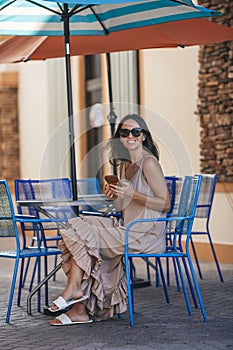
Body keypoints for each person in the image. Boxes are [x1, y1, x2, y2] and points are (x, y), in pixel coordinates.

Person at [48, 114, 170, 326]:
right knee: (82, 223)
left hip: (146, 233)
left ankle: (78, 302)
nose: (130, 136)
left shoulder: (149, 163)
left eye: (135, 132)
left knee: (87, 236)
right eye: (124, 133)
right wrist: (115, 196)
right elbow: (124, 208)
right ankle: (77, 298)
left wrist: (134, 195)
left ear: (143, 137)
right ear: (120, 138)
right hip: (127, 227)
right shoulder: (123, 165)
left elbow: (165, 203)